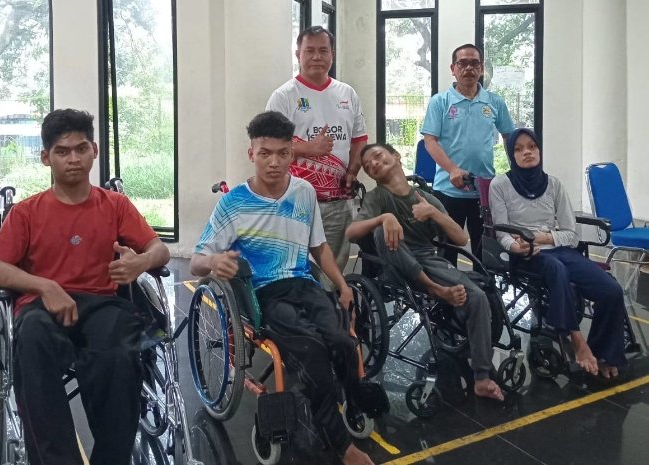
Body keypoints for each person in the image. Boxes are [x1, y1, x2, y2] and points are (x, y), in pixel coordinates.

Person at [190, 111, 381, 465]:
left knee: (344, 343)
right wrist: (215, 261)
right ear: (251, 154)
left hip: (304, 284)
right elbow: (196, 262)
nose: (274, 162)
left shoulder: (304, 192)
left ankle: (352, 400)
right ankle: (342, 446)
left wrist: (342, 285)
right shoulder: (234, 203)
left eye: (282, 153)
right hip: (262, 294)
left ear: (292, 154)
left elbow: (319, 248)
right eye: (265, 153)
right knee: (312, 352)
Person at [0, 109, 170, 465]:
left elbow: (159, 249)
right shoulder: (26, 213)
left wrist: (140, 262)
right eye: (62, 151)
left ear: (94, 150)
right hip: (40, 308)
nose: (73, 159)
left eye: (81, 149)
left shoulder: (115, 205)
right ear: (46, 157)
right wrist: (44, 286)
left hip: (101, 303)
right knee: (31, 339)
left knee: (121, 353)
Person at [346, 143, 504, 401]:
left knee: (477, 296)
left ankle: (482, 378)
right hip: (394, 267)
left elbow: (461, 238)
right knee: (381, 232)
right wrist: (383, 218)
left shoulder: (426, 198)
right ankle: (435, 289)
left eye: (377, 156)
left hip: (428, 260)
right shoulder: (377, 198)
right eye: (367, 165)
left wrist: (433, 213)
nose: (373, 163)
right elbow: (351, 233)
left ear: (396, 156)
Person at [489, 128, 626, 378]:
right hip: (526, 256)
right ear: (511, 155)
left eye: (532, 146)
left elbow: (570, 234)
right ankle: (577, 341)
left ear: (539, 150)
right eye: (519, 149)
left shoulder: (554, 184)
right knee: (556, 269)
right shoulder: (500, 185)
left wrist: (540, 237)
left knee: (611, 290)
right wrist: (516, 246)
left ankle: (604, 353)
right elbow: (502, 233)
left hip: (558, 250)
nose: (527, 152)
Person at [266, 25, 368, 288]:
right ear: (297, 54)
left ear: (332, 54)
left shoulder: (347, 94)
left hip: (337, 202)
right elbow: (267, 144)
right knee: (293, 268)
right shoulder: (283, 96)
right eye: (309, 50)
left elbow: (359, 138)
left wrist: (352, 171)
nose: (316, 56)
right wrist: (308, 148)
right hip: (293, 200)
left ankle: (330, 309)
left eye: (323, 50)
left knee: (333, 272)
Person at [421, 43, 515, 266]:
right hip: (447, 190)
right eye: (462, 63)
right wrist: (452, 169)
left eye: (474, 63)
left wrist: (514, 172)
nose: (469, 68)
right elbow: (430, 141)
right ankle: (447, 289)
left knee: (485, 253)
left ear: (481, 69)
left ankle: (484, 288)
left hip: (484, 191)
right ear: (453, 69)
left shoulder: (495, 102)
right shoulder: (440, 102)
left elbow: (510, 137)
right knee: (447, 252)